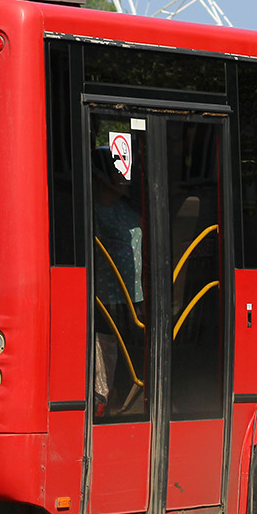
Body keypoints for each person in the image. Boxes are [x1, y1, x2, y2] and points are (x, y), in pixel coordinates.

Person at [91, 147, 145, 415]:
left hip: (133, 296)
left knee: (129, 351)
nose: (120, 178)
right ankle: (105, 399)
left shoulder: (125, 208)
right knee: (109, 347)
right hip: (106, 297)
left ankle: (118, 399)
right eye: (114, 173)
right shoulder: (94, 214)